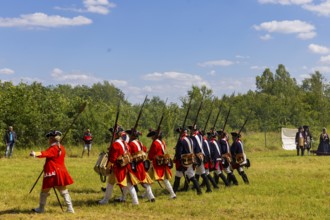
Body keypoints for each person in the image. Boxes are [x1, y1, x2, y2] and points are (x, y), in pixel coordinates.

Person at [29, 130, 74, 213]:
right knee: (63, 190)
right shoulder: (61, 148)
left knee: (44, 191)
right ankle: (70, 208)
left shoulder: (54, 148)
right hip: (60, 171)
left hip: (52, 173)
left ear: (52, 139)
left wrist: (35, 153)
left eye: (49, 138)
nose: (48, 140)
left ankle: (41, 208)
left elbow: (45, 153)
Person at [99, 126, 139, 205]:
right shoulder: (125, 143)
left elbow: (113, 159)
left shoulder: (116, 145)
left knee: (113, 184)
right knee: (126, 184)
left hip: (117, 168)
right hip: (125, 167)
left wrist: (107, 167)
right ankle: (134, 201)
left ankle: (106, 200)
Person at [125, 128, 155, 202]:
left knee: (129, 182)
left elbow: (128, 154)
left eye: (130, 134)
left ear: (132, 136)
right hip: (141, 164)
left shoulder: (131, 144)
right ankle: (151, 197)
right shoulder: (140, 143)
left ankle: (133, 200)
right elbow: (145, 150)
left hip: (134, 165)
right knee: (144, 182)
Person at [147, 128, 176, 199]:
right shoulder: (162, 142)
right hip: (161, 162)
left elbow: (151, 156)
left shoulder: (155, 143)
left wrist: (150, 155)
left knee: (148, 180)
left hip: (156, 164)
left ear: (155, 136)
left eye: (152, 136)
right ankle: (147, 194)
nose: (151, 137)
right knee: (164, 180)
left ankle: (151, 196)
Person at [172, 127, 202, 195]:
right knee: (191, 176)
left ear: (182, 132)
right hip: (191, 159)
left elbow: (179, 153)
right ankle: (199, 190)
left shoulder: (181, 140)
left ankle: (173, 193)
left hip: (183, 161)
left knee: (177, 177)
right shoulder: (191, 139)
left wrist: (179, 161)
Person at [189, 125, 212, 193]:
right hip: (201, 155)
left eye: (191, 129)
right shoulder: (200, 135)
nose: (190, 131)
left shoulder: (193, 136)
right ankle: (205, 188)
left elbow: (194, 146)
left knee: (196, 172)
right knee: (201, 173)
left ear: (192, 130)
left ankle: (205, 188)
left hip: (197, 156)